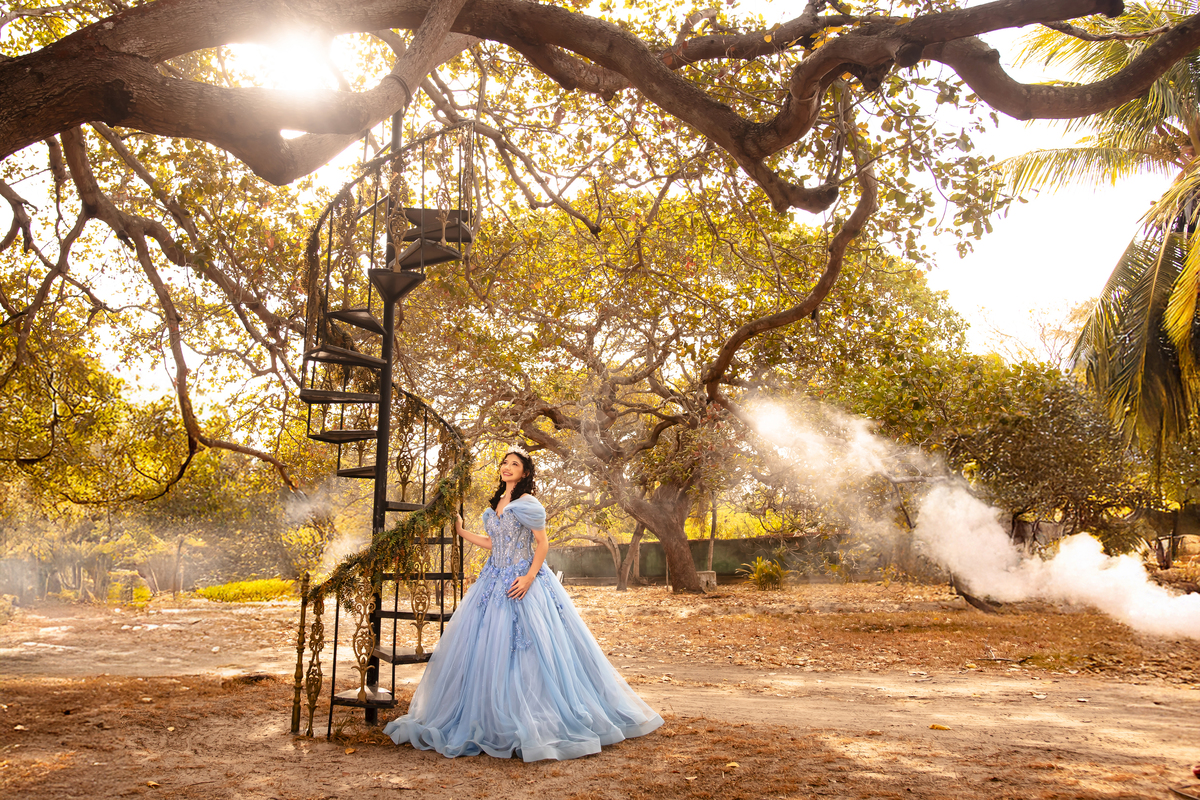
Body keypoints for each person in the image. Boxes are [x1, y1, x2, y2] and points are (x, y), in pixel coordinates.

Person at [383, 445, 663, 761]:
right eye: (505, 462)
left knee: (529, 649)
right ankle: (490, 716)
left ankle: (533, 715)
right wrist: (461, 531)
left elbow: (542, 543)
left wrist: (529, 578)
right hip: (492, 581)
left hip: (522, 580)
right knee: (486, 646)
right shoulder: (497, 502)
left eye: (514, 464)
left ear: (525, 472)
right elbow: (493, 543)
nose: (507, 467)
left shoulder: (528, 503)